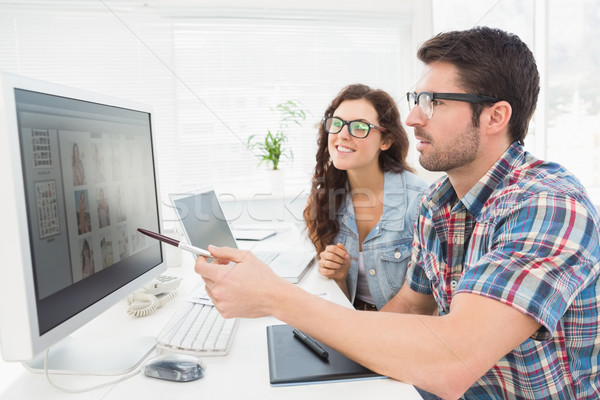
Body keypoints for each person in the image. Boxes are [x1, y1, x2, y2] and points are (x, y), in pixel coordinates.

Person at [194, 27, 600, 399]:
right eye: (417, 100)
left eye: (434, 102)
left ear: (496, 116)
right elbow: (410, 305)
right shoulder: (439, 203)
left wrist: (276, 297)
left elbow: (451, 361)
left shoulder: (548, 205)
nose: (412, 117)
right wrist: (336, 350)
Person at [304, 84, 428, 310]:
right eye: (337, 123)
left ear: (386, 141)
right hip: (353, 319)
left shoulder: (420, 200)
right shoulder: (328, 196)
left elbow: (425, 307)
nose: (342, 135)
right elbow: (343, 300)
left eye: (359, 127)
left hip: (402, 332)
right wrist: (340, 277)